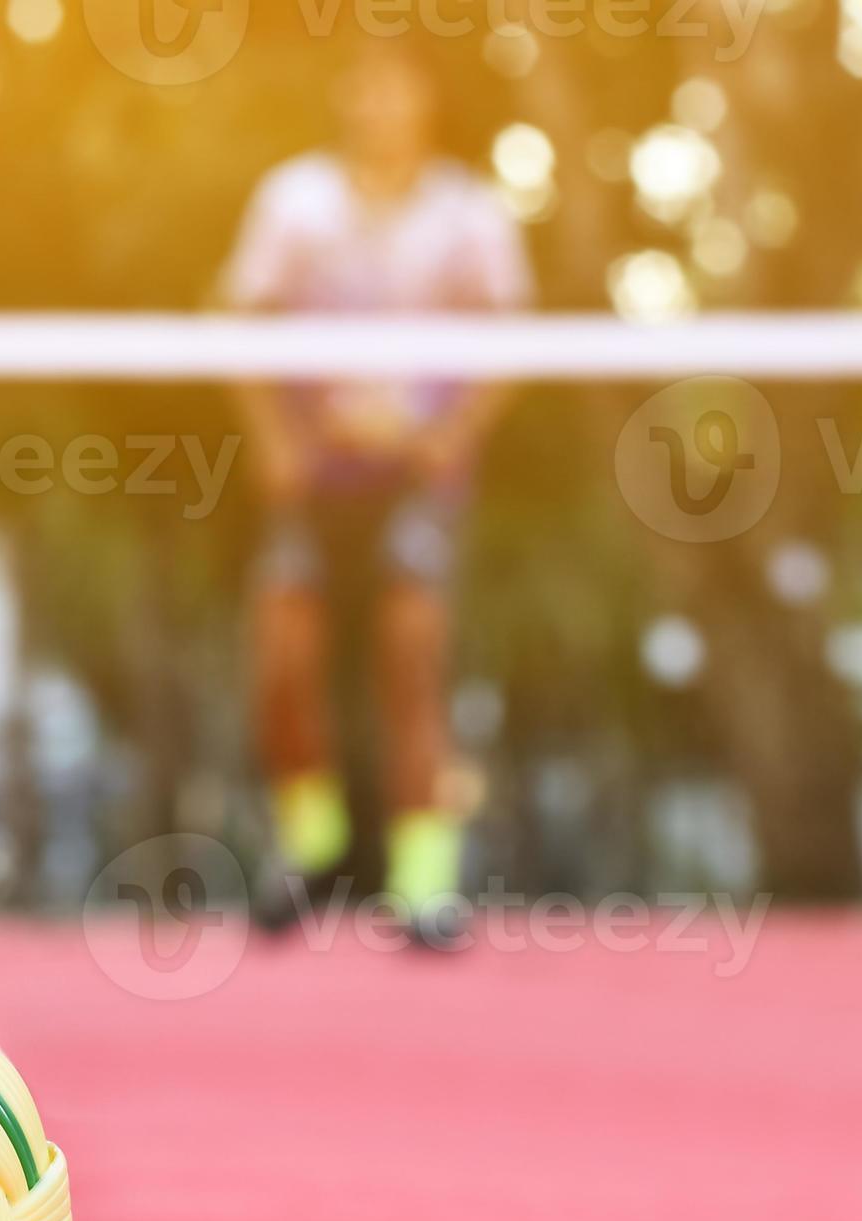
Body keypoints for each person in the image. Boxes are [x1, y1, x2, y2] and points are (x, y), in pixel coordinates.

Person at [221, 40, 532, 948]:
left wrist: (450, 435)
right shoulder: (293, 200)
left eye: (397, 85)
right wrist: (275, 439)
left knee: (410, 659)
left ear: (427, 98)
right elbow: (241, 321)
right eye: (365, 85)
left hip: (412, 480)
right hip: (315, 473)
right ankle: (312, 852)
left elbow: (512, 344)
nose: (379, 103)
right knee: (282, 660)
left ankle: (424, 885)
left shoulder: (468, 214)